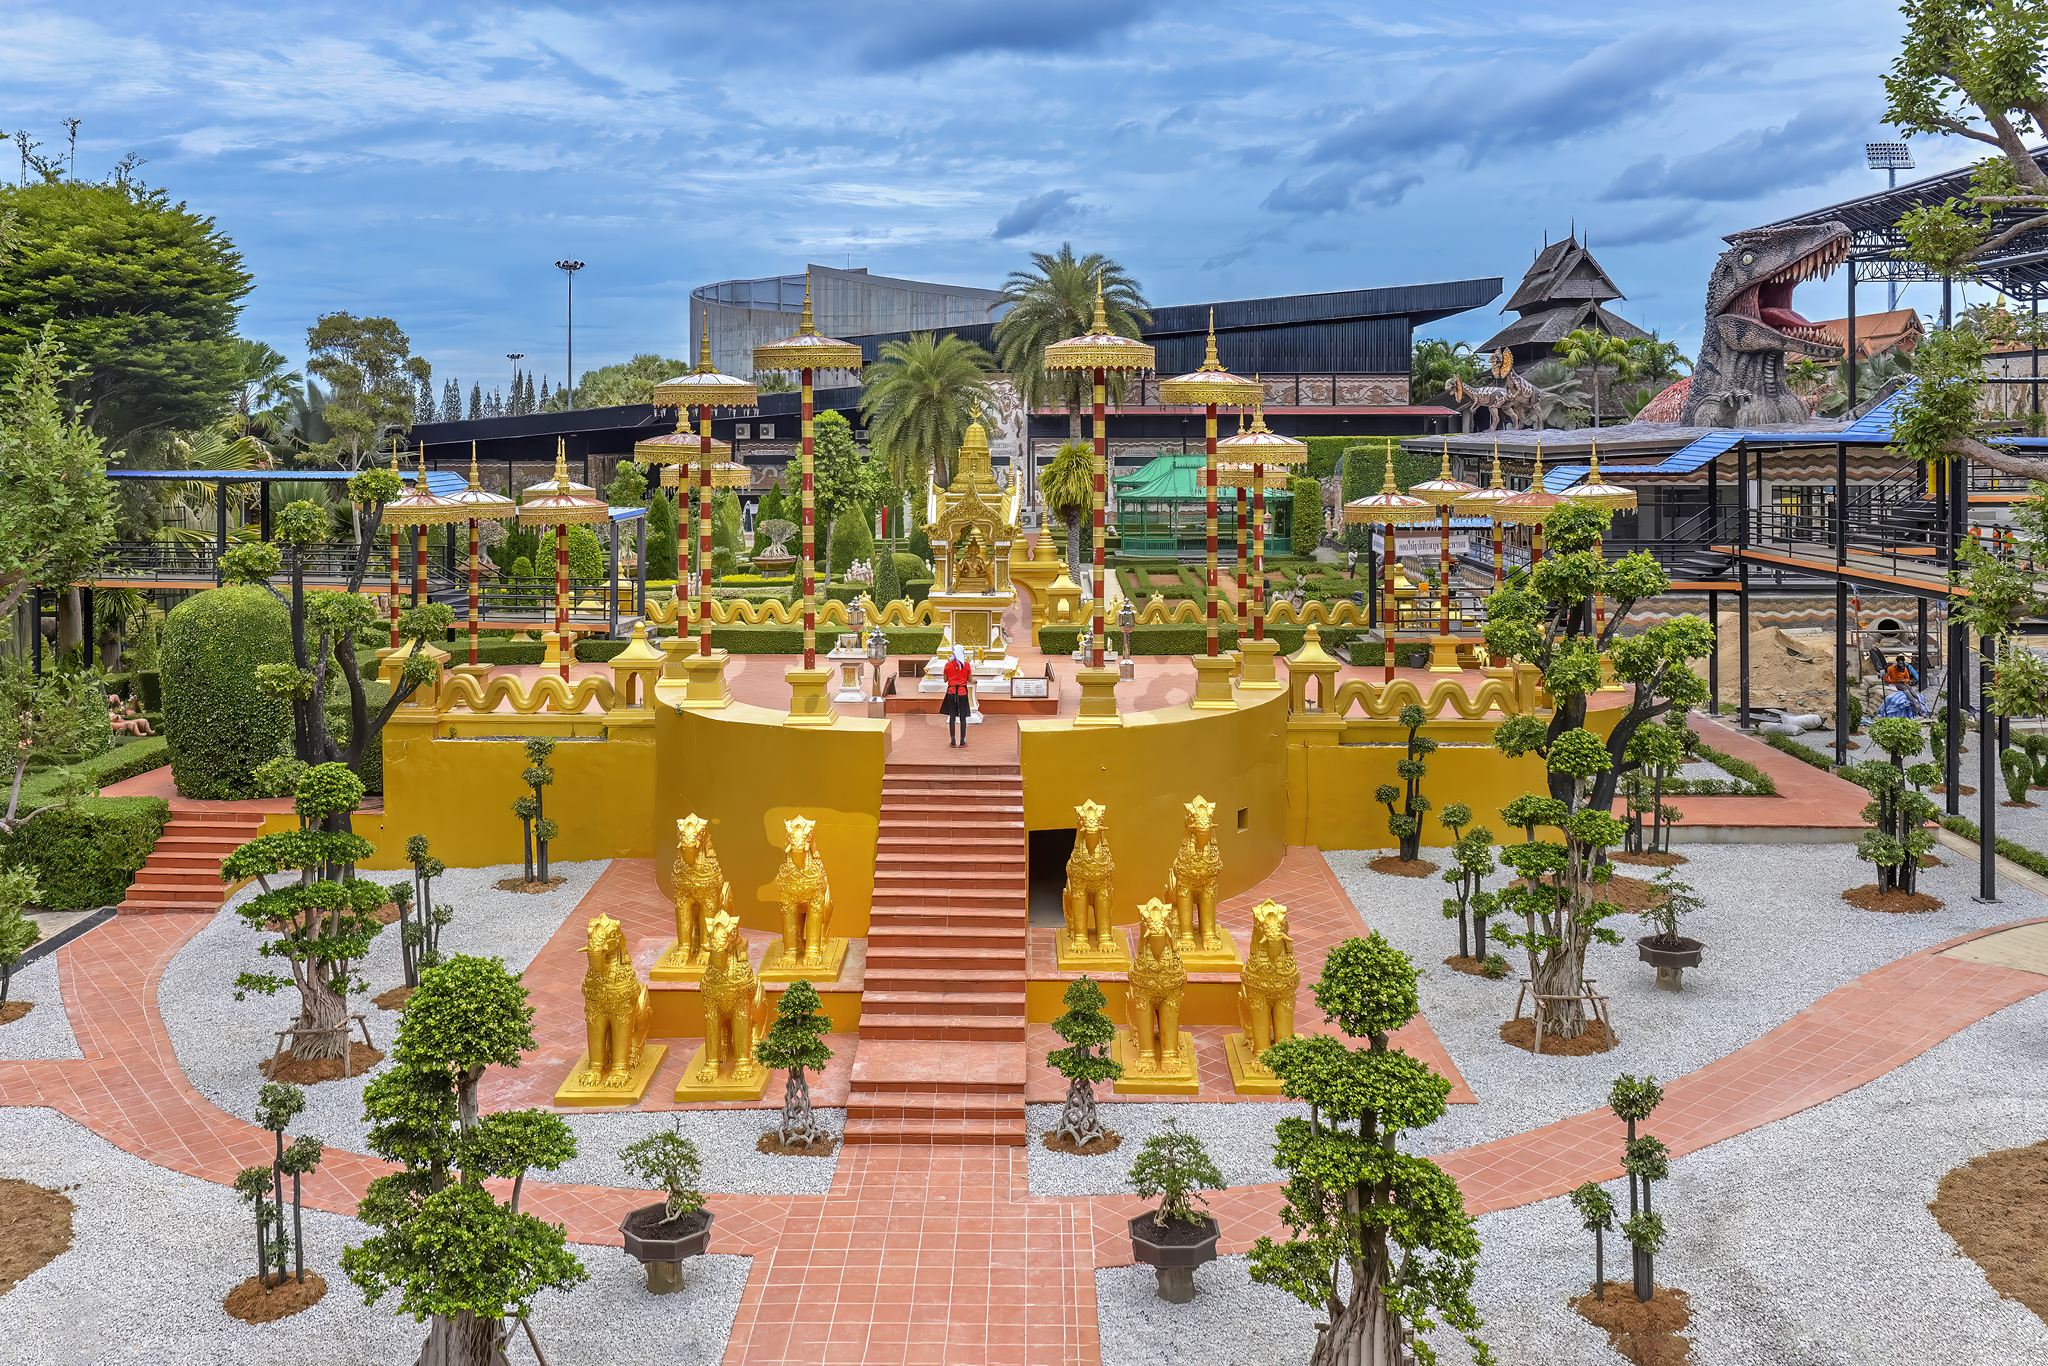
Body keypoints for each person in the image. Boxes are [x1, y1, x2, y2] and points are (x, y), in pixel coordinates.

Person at [941, 644, 973, 747]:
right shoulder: (966, 665)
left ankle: (953, 741)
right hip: (962, 692)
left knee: (952, 717)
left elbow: (945, 680)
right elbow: (970, 679)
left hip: (951, 692)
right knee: (963, 718)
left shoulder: (947, 665)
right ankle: (962, 741)